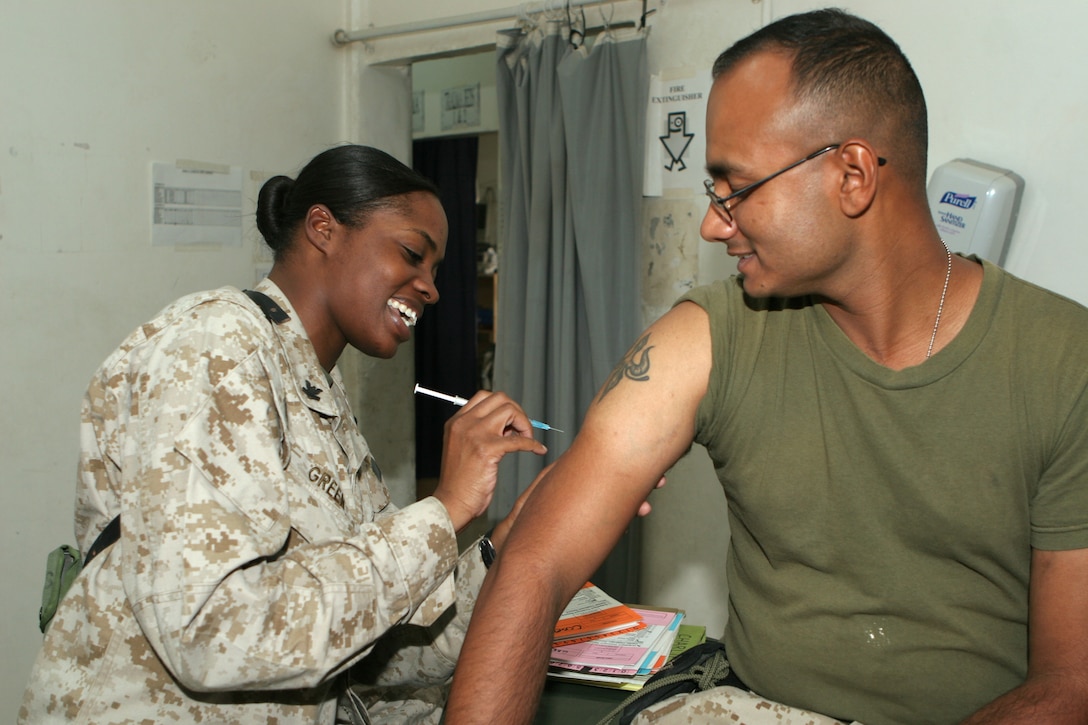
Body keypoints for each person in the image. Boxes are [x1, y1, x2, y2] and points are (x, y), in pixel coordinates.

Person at [445, 9, 1088, 725]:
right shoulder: (713, 337)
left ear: (851, 176)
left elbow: (1071, 683)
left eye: (736, 186)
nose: (713, 223)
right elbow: (538, 560)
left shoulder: (1065, 364)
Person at [18, 144, 551, 724]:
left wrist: (511, 547)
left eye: (435, 269)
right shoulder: (216, 347)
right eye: (411, 254)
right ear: (323, 228)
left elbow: (372, 651)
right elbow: (211, 633)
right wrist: (445, 509)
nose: (431, 287)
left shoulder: (319, 398)